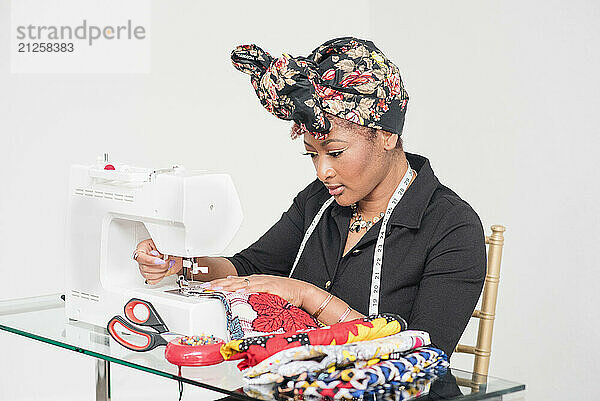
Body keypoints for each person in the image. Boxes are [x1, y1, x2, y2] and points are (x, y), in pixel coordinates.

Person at [134, 37, 486, 357]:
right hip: (294, 384)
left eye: (335, 152)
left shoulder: (451, 228)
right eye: (312, 155)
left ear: (387, 135)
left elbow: (423, 358)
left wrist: (306, 295)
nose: (322, 172)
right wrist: (187, 263)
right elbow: (249, 269)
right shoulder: (319, 202)